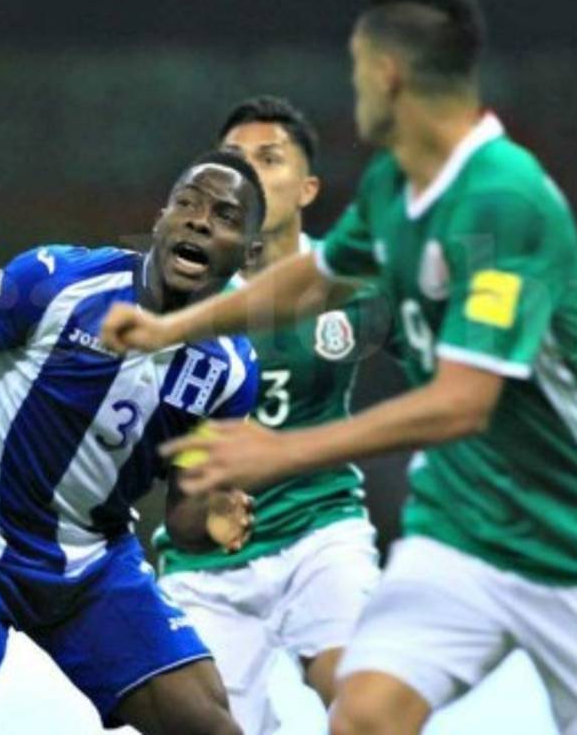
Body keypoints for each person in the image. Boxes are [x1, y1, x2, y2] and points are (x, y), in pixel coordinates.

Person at [101, 0, 577, 735]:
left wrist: (282, 452)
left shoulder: (502, 200)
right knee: (363, 717)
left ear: (387, 74)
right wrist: (170, 329)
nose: (354, 89)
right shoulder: (393, 184)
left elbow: (462, 403)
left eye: (355, 68)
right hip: (460, 531)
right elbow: (316, 278)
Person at [0, 153, 266, 735]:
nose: (199, 220)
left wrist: (214, 519)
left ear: (249, 254)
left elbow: (184, 515)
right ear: (161, 218)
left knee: (213, 728)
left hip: (93, 566)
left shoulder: (230, 371)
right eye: (187, 203)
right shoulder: (59, 280)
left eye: (224, 216)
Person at [153, 97, 387, 733]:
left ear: (308, 188)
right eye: (234, 159)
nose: (250, 171)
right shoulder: (182, 294)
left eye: (270, 158)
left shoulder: (355, 281)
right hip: (207, 557)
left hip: (320, 530)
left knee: (364, 705)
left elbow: (440, 363)